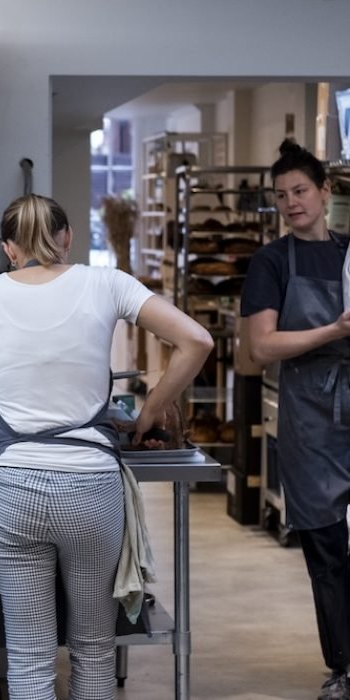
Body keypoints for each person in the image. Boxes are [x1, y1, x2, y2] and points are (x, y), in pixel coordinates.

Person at [0, 193, 213, 700]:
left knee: (30, 659)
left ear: (9, 249)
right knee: (93, 651)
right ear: (67, 238)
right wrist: (151, 410)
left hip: (15, 488)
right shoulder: (105, 282)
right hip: (90, 489)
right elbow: (197, 340)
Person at [241, 140, 350, 700]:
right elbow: (261, 346)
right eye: (281, 195)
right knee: (327, 551)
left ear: (326, 191)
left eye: (300, 190)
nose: (291, 202)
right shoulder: (272, 262)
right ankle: (343, 668)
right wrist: (333, 332)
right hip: (310, 417)